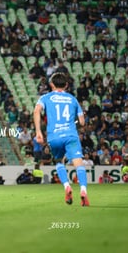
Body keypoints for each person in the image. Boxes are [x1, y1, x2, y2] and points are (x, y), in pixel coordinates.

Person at [34, 72, 89, 206]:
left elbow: (36, 111)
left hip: (54, 136)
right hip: (70, 135)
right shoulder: (72, 99)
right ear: (66, 85)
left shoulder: (46, 97)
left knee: (59, 162)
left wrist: (38, 131)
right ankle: (83, 190)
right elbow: (82, 122)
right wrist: (74, 121)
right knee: (78, 164)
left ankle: (66, 187)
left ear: (51, 84)